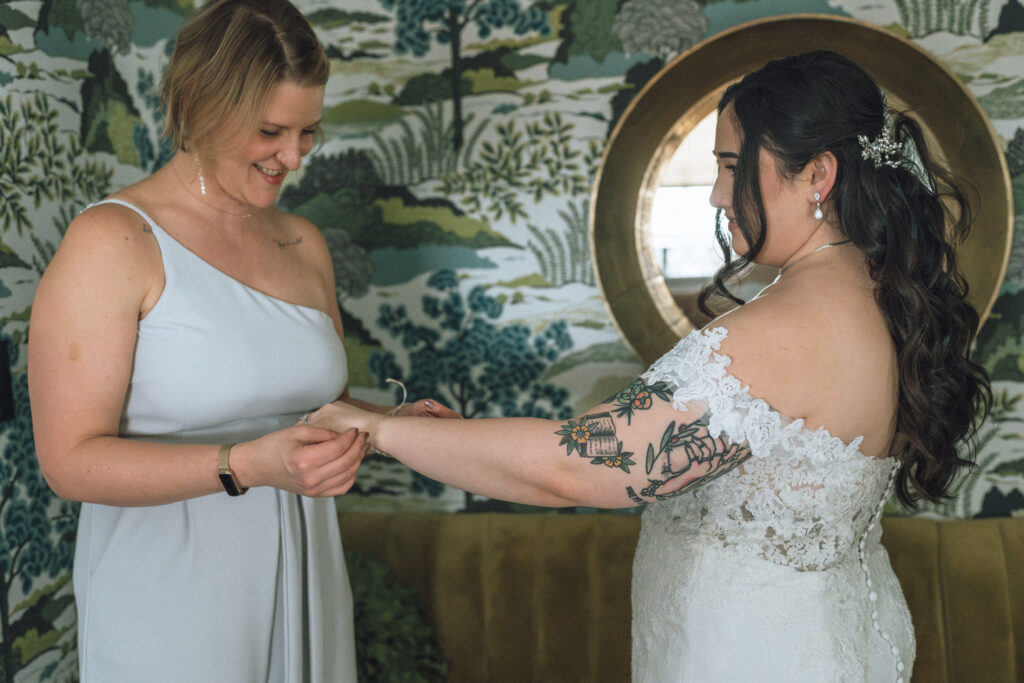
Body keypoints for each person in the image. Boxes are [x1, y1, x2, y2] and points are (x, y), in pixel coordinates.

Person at [308, 51, 992, 682]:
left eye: (732, 165)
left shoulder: (786, 327)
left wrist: (379, 429)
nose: (718, 194)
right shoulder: (883, 294)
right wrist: (439, 437)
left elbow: (572, 466)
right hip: (843, 636)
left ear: (818, 173)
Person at [27, 1, 456, 681]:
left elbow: (321, 409)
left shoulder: (303, 241)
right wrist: (245, 465)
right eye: (270, 131)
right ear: (201, 106)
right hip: (169, 596)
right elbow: (69, 462)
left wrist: (391, 425)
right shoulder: (113, 241)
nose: (293, 156)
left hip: (305, 570)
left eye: (308, 131)